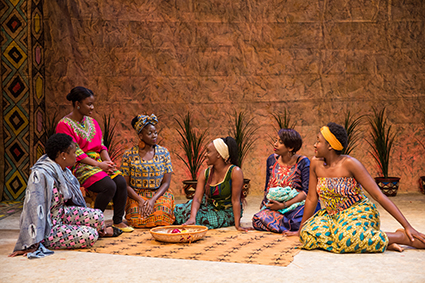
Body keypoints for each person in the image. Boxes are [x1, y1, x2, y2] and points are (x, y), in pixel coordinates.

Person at [289, 122, 425, 253]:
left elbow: (379, 195)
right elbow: (312, 198)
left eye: (318, 141)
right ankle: (378, 241)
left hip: (357, 212)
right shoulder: (315, 163)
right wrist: (301, 228)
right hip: (333, 216)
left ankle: (401, 237)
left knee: (345, 238)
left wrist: (407, 226)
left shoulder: (350, 164)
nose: (315, 145)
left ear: (330, 146)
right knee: (308, 234)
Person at [9, 134, 122, 258]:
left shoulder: (63, 170)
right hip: (49, 227)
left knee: (98, 216)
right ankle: (96, 232)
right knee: (90, 235)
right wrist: (32, 242)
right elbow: (33, 209)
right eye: (73, 152)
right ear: (63, 155)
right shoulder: (41, 174)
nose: (76, 156)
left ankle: (93, 230)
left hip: (62, 214)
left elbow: (72, 201)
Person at [56, 86, 133, 232]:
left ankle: (117, 221)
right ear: (78, 103)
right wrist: (99, 164)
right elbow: (76, 153)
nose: (92, 107)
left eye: (93, 104)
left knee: (120, 181)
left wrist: (108, 163)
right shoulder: (64, 125)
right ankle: (93, 222)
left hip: (99, 164)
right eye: (89, 104)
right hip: (80, 166)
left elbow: (102, 146)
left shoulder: (93, 122)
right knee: (109, 186)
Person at [174, 137, 250, 231]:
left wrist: (237, 225)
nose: (205, 155)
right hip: (209, 207)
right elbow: (197, 198)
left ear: (218, 154)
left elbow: (235, 200)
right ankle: (191, 221)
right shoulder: (205, 173)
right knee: (178, 210)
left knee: (204, 219)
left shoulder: (234, 172)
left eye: (208, 151)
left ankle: (193, 221)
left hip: (226, 211)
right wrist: (192, 218)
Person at [252, 129, 320, 233]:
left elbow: (306, 192)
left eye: (280, 142)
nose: (275, 144)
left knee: (300, 219)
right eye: (276, 140)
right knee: (257, 219)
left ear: (290, 147)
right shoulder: (271, 159)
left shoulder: (303, 162)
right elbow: (268, 187)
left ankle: (279, 224)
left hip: (296, 205)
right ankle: (284, 224)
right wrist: (266, 206)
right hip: (276, 205)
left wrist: (283, 205)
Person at [121, 114, 175, 228]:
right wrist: (140, 200)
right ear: (141, 135)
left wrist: (152, 200)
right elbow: (125, 184)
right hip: (136, 194)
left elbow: (166, 183)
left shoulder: (164, 153)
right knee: (136, 218)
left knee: (162, 216)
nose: (154, 136)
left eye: (155, 132)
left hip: (158, 194)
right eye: (149, 133)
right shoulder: (129, 155)